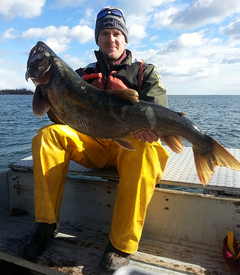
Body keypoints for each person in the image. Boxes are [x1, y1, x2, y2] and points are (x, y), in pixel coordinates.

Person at [18, 6, 170, 271]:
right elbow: (58, 119)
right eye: (105, 34)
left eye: (116, 33)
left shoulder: (145, 72)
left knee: (148, 149)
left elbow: (159, 110)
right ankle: (46, 224)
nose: (111, 39)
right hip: (94, 144)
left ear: (125, 39)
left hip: (132, 147)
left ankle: (121, 246)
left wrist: (150, 129)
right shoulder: (79, 74)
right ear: (97, 39)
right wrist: (49, 92)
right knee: (47, 137)